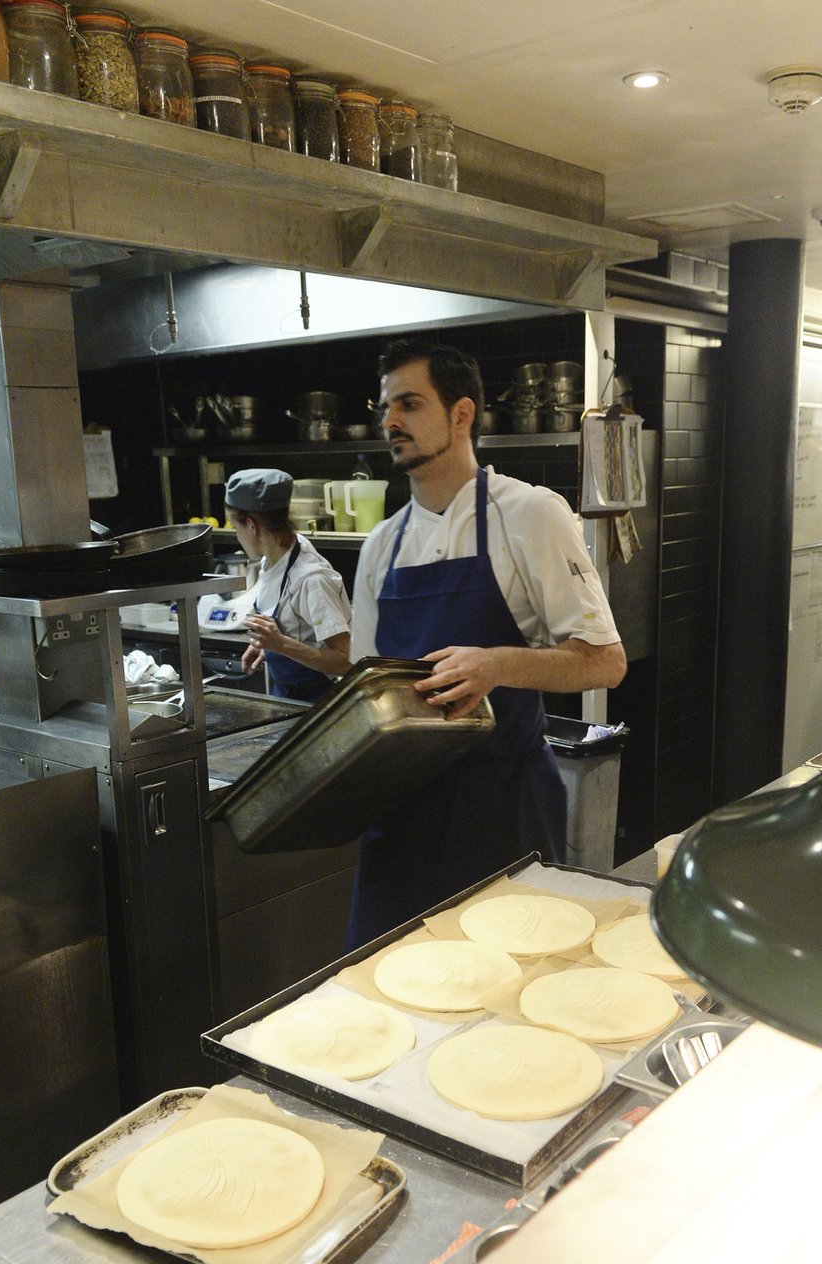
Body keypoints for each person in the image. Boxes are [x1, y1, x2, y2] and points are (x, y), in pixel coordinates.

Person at [346, 338, 627, 947]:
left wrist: (497, 663)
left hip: (501, 808)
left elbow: (606, 663)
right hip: (402, 817)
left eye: (410, 404)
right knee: (389, 991)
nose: (390, 421)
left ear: (462, 415)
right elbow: (363, 688)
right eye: (385, 407)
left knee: (514, 990)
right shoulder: (380, 546)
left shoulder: (530, 515)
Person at [223, 467, 352, 702]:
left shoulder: (311, 579)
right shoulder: (275, 557)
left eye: (235, 527)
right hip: (289, 698)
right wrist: (267, 646)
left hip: (321, 705)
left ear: (252, 526)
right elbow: (297, 629)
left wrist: (281, 644)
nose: (237, 536)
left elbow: (346, 661)